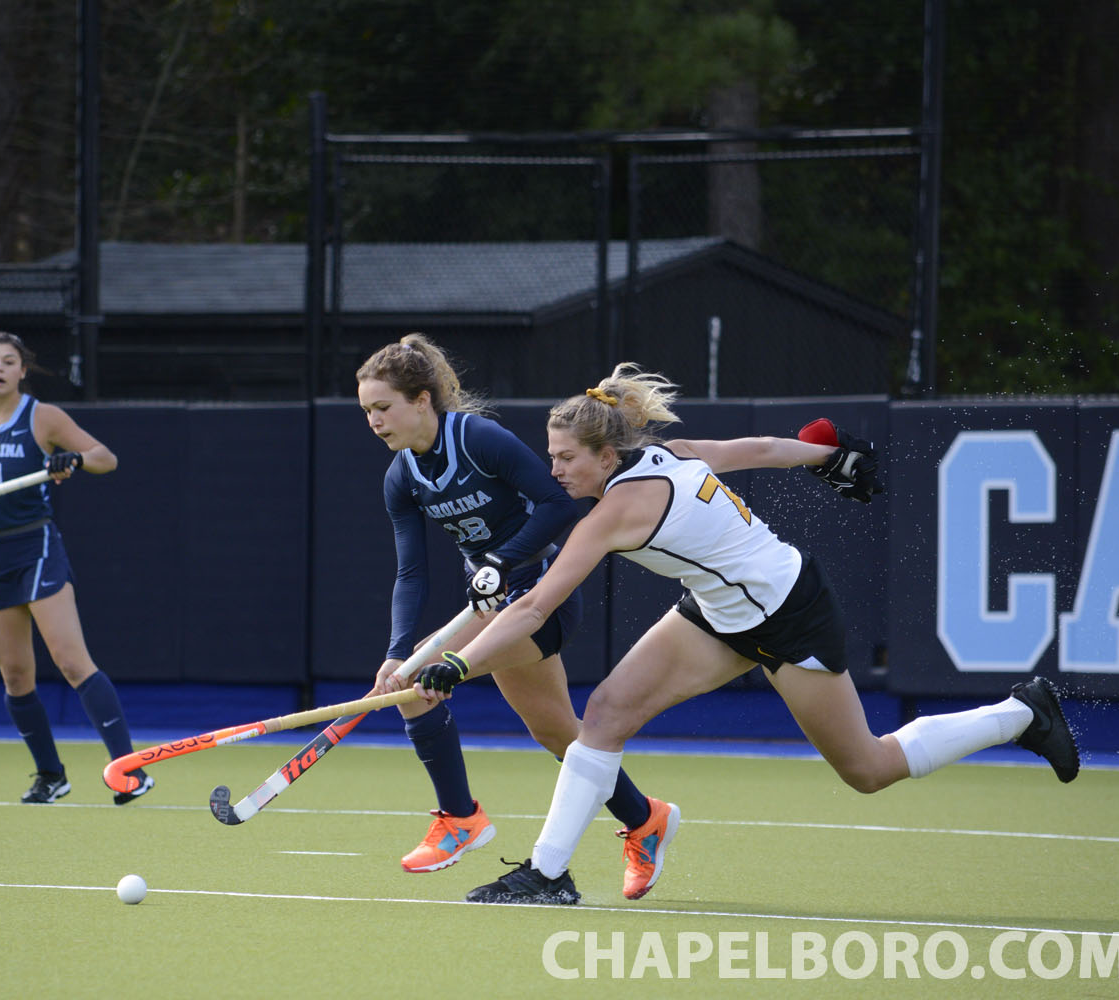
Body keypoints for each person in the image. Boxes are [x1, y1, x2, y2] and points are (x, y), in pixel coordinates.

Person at [411, 363, 1080, 905]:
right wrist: (826, 453)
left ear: (607, 454)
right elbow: (760, 450)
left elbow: (529, 611)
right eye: (550, 457)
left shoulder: (615, 512)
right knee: (607, 714)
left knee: (867, 769)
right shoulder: (670, 452)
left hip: (790, 613)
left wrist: (454, 664)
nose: (553, 471)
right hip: (715, 614)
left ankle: (1019, 715)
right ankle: (549, 875)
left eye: (564, 459)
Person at [357, 334, 677, 899]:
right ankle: (644, 818)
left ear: (422, 400)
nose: (375, 422)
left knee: (415, 690)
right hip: (488, 605)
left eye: (383, 408)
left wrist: (503, 562)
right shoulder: (402, 478)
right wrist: (396, 648)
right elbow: (411, 574)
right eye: (367, 412)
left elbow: (559, 504)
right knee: (558, 734)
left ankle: (461, 819)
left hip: (539, 597)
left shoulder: (477, 439)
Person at [0, 331, 152, 806]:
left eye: (9, 361)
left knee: (71, 662)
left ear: (22, 370)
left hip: (35, 547)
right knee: (15, 677)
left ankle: (130, 771)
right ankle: (50, 776)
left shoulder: (42, 416)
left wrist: (75, 459)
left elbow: (106, 458)